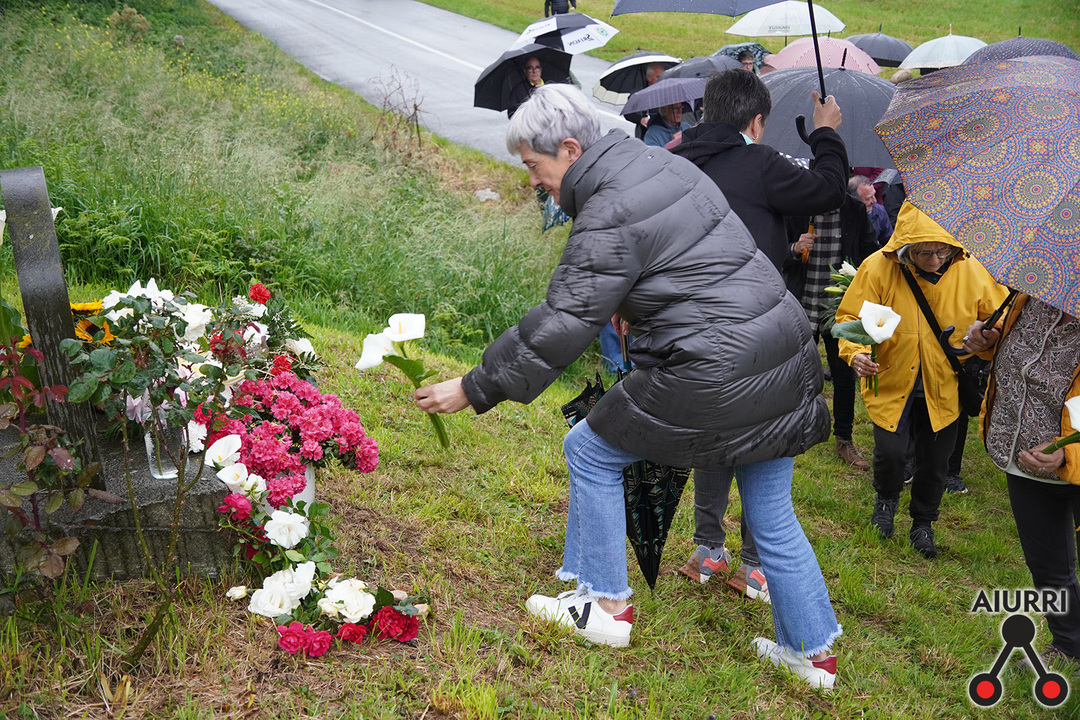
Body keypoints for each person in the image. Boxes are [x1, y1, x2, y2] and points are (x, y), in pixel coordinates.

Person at [414, 83, 842, 689]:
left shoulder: (609, 206)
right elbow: (690, 264)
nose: (533, 181)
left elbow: (564, 319)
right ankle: (812, 656)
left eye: (534, 166)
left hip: (715, 363)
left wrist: (474, 385)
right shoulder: (659, 163)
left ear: (569, 149)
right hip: (780, 347)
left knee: (589, 450)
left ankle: (605, 606)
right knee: (771, 512)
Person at [670, 68, 847, 598]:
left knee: (714, 434)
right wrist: (825, 132)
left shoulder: (676, 162)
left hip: (693, 327)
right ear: (755, 121)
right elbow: (829, 190)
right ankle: (753, 562)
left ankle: (708, 549)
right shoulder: (762, 163)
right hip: (756, 330)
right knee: (763, 440)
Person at [835, 202, 1008, 558]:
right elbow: (851, 317)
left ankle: (923, 523)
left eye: (942, 251)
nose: (934, 260)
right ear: (906, 247)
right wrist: (856, 353)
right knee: (890, 453)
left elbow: (1000, 322)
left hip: (944, 385)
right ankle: (885, 501)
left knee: (935, 461)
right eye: (925, 252)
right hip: (891, 379)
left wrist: (987, 338)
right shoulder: (878, 268)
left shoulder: (972, 269)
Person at [963, 295, 1080, 668]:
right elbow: (1016, 352)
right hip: (1023, 455)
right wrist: (989, 339)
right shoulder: (1033, 294)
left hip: (1067, 456)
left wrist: (1068, 450)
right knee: (1048, 565)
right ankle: (1069, 646)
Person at [787, 181, 881, 474]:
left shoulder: (853, 210)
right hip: (800, 302)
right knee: (791, 371)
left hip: (838, 306)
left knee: (843, 374)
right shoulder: (797, 206)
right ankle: (790, 430)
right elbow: (772, 248)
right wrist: (793, 248)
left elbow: (870, 252)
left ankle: (844, 438)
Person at [850, 174, 893, 246]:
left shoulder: (880, 211)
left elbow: (889, 241)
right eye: (868, 199)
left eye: (874, 195)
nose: (874, 201)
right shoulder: (844, 216)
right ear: (855, 200)